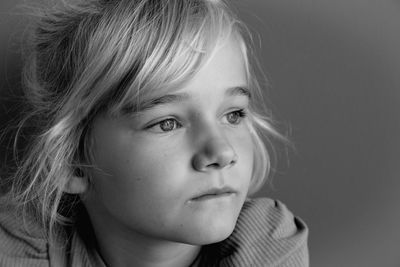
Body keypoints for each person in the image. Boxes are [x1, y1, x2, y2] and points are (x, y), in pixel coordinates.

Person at [0, 0, 308, 266]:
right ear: (71, 160)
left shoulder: (265, 243)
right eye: (167, 123)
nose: (222, 152)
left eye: (233, 114)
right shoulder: (21, 243)